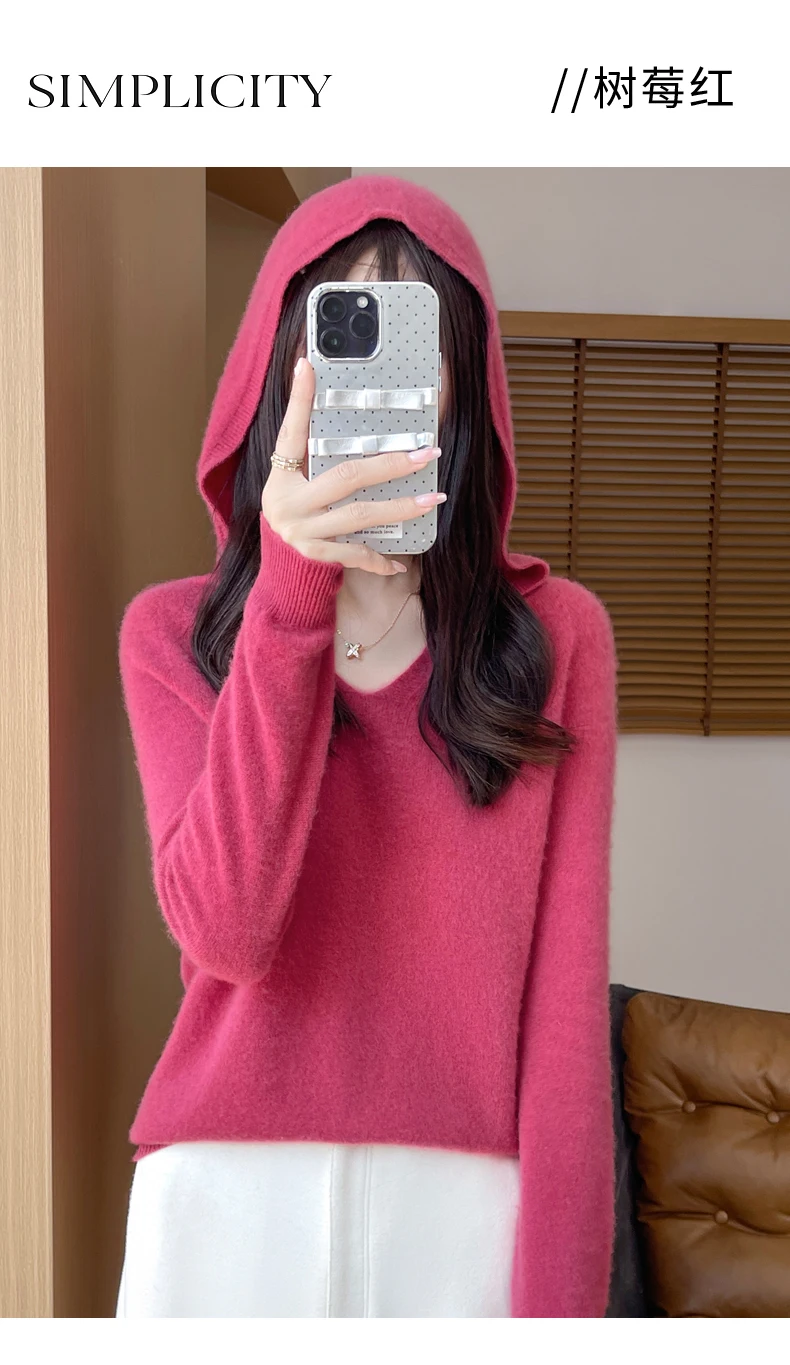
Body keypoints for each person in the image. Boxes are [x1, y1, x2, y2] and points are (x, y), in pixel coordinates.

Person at [114, 173, 619, 1318]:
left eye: (412, 341)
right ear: (279, 370)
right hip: (224, 1214)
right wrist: (292, 596)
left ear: (462, 387)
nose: (377, 383)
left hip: (464, 1226)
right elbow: (226, 931)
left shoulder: (556, 640)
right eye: (343, 335)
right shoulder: (172, 636)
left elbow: (564, 1016)